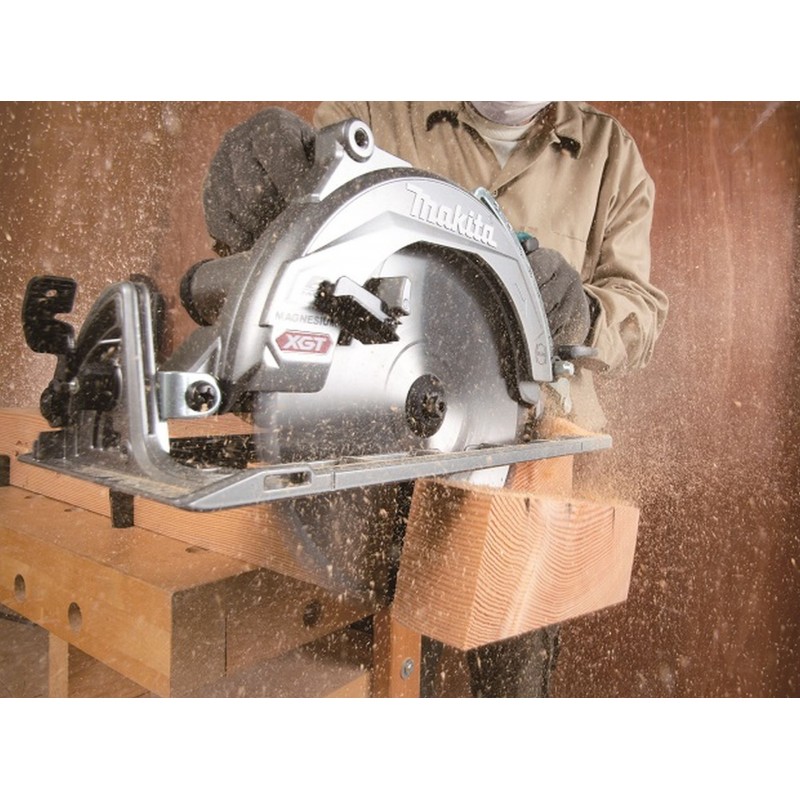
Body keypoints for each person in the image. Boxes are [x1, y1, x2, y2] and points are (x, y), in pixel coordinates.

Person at [201, 101, 669, 697]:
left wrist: (587, 312)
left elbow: (641, 309)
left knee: (514, 686)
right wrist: (262, 189)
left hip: (530, 461)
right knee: (366, 670)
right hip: (365, 434)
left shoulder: (611, 154)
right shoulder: (376, 103)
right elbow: (300, 245)